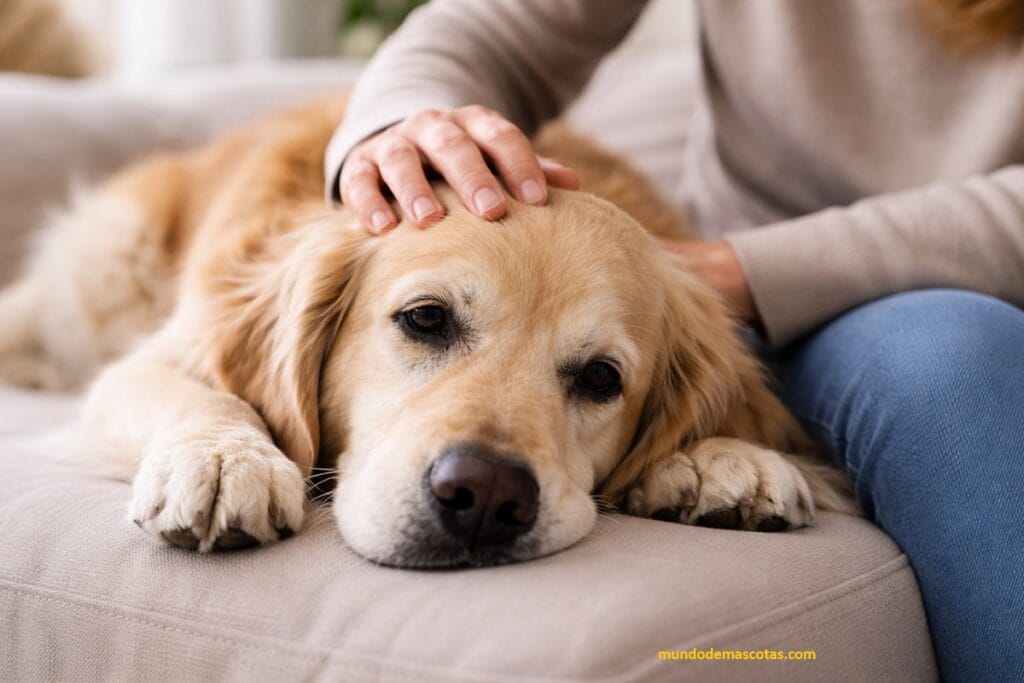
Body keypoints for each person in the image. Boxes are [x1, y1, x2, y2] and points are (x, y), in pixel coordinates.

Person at [325, 1, 1024, 679]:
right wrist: (399, 133)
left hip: (933, 303)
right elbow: (498, 27)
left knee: (954, 360)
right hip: (727, 290)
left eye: (595, 378)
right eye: (425, 321)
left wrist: (739, 271)